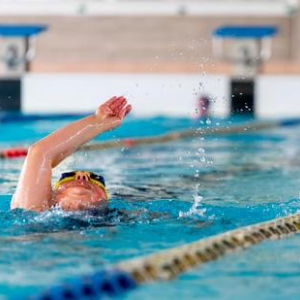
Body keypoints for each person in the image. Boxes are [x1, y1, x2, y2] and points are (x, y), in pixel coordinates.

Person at [11, 96, 132, 212]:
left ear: (104, 199)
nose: (82, 176)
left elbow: (39, 153)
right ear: (52, 194)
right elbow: (39, 153)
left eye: (96, 180)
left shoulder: (125, 220)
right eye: (68, 176)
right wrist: (98, 122)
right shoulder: (33, 209)